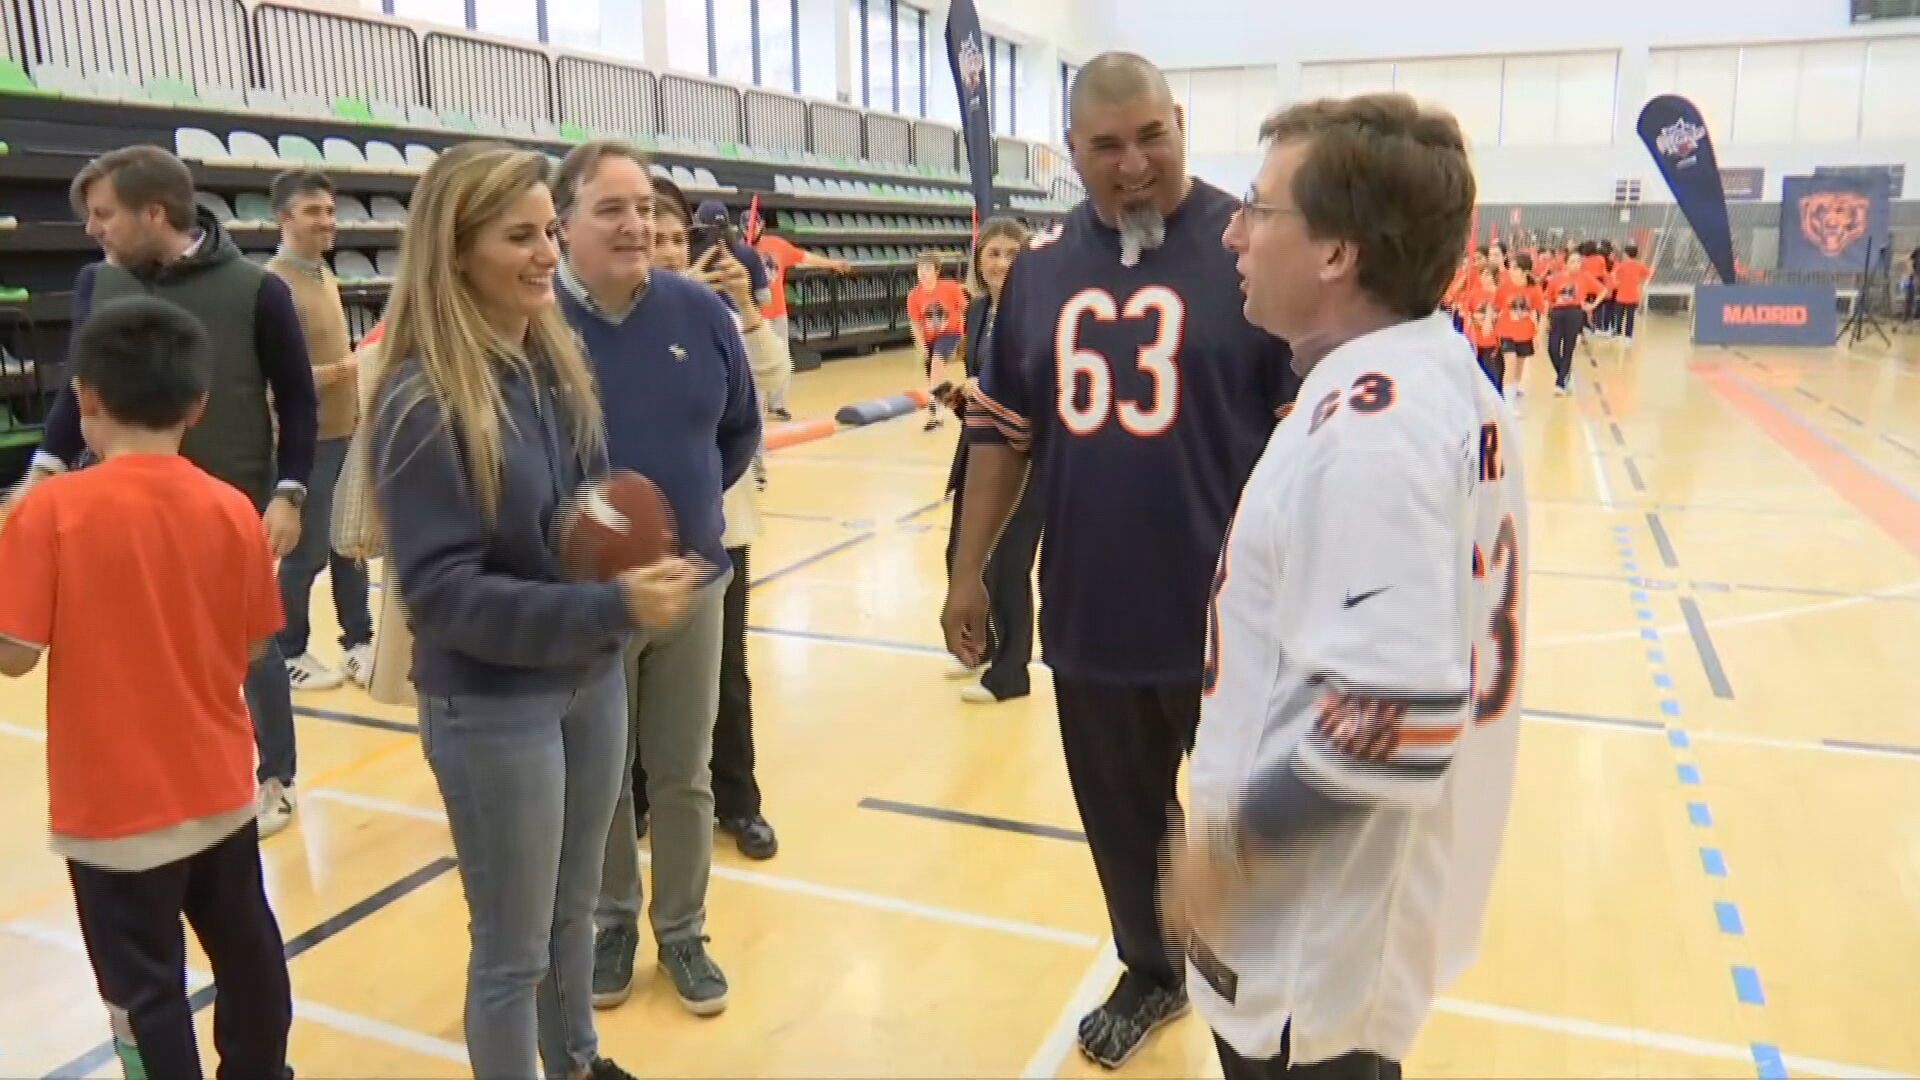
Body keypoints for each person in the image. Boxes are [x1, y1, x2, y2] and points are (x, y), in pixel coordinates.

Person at [942, 52, 1297, 1069]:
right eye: (1107, 146)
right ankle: (1152, 971)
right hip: (1093, 620)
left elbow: (1311, 448)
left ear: (1182, 123)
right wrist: (968, 575)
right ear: (1072, 153)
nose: (1133, 164)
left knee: (1248, 848)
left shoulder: (1253, 244)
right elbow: (1001, 435)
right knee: (1129, 834)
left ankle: (1264, 1002)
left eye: (1152, 136)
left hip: (1238, 631)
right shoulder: (1043, 273)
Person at [1170, 91, 1529, 1080]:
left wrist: (1234, 853)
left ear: (1337, 253)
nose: (1233, 232)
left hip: (1308, 952)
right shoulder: (1428, 376)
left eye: (1258, 207)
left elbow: (1401, 713)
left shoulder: (1369, 431)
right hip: (1343, 925)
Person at [372, 141, 695, 1080]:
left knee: (570, 915)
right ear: (456, 250)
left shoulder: (547, 363)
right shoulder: (421, 399)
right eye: (520, 236)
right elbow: (442, 593)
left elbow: (561, 520)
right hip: (492, 703)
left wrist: (624, 551)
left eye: (550, 229)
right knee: (510, 952)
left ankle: (580, 1062)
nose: (548, 252)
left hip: (585, 680)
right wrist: (608, 601)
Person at [0, 296, 295, 1080]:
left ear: (84, 400)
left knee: (145, 995)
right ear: (197, 405)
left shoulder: (50, 511)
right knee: (249, 954)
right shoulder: (232, 507)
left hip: (112, 816)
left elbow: (15, 655)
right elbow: (259, 644)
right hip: (222, 788)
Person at [2, 145, 316, 840]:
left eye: (104, 214)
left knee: (250, 646)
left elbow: (296, 400)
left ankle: (276, 777)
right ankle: (160, 785)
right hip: (120, 504)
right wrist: (45, 470)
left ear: (153, 213)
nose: (92, 228)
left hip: (229, 504)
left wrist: (289, 492)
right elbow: (72, 390)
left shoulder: (259, 290)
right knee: (136, 651)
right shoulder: (97, 283)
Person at [549, 141, 761, 1018]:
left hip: (696, 585)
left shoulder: (699, 312)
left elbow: (738, 430)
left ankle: (682, 931)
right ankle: (610, 925)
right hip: (588, 605)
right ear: (562, 225)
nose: (636, 224)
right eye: (612, 209)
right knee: (598, 777)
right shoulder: (536, 328)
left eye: (643, 209)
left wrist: (689, 526)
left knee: (684, 773)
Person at [642, 176, 792, 860]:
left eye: (678, 237)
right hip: (633, 539)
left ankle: (741, 801)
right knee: (635, 677)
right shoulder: (607, 321)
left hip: (719, 530)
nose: (668, 249)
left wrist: (747, 309)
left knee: (725, 674)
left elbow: (774, 387)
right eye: (656, 235)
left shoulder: (718, 318)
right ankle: (639, 797)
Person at [265, 168, 375, 692]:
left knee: (349, 545)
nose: (327, 221)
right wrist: (345, 371)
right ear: (284, 218)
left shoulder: (321, 274)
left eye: (330, 210)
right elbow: (271, 380)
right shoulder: (274, 285)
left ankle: (358, 641)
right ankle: (288, 650)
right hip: (306, 442)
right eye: (314, 211)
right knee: (304, 554)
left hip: (344, 434)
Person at [939, 216, 1037, 705]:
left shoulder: (1039, 312)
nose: (1001, 263)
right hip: (979, 447)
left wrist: (988, 391)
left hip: (1024, 456)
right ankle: (979, 649)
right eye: (993, 253)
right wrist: (959, 396)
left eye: (1012, 254)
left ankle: (1012, 671)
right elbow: (977, 377)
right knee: (961, 554)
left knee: (1007, 563)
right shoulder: (977, 311)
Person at [751, 217, 850, 420]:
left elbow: (803, 257)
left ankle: (777, 404)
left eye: (755, 225)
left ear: (761, 225)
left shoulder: (776, 244)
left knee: (783, 359)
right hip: (755, 316)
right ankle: (754, 407)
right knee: (757, 361)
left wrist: (832, 264)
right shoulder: (742, 250)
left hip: (777, 312)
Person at [906, 253, 968, 430]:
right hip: (931, 339)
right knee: (937, 381)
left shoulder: (950, 288)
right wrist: (922, 346)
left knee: (937, 363)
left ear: (936, 271)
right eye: (920, 269)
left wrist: (968, 335)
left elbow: (967, 309)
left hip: (951, 334)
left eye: (927, 269)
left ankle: (935, 415)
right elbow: (916, 324)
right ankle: (959, 404)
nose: (922, 273)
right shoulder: (914, 296)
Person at [1543, 251, 1601, 396]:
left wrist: (1591, 306)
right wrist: (1545, 319)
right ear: (1566, 263)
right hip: (1557, 313)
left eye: (1578, 262)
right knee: (1553, 348)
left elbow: (1602, 290)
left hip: (1574, 313)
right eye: (1573, 261)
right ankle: (1564, 375)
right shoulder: (1556, 279)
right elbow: (1547, 299)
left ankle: (1560, 383)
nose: (1576, 265)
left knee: (1568, 348)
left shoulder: (1585, 278)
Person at [1610, 243, 1651, 339]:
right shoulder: (1640, 265)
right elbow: (1649, 273)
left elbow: (1613, 274)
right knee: (1630, 318)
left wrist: (1616, 283)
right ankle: (1628, 337)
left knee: (1619, 317)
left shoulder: (1621, 265)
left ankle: (1618, 334)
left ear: (1626, 254)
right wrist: (1642, 281)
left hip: (1621, 296)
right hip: (1633, 297)